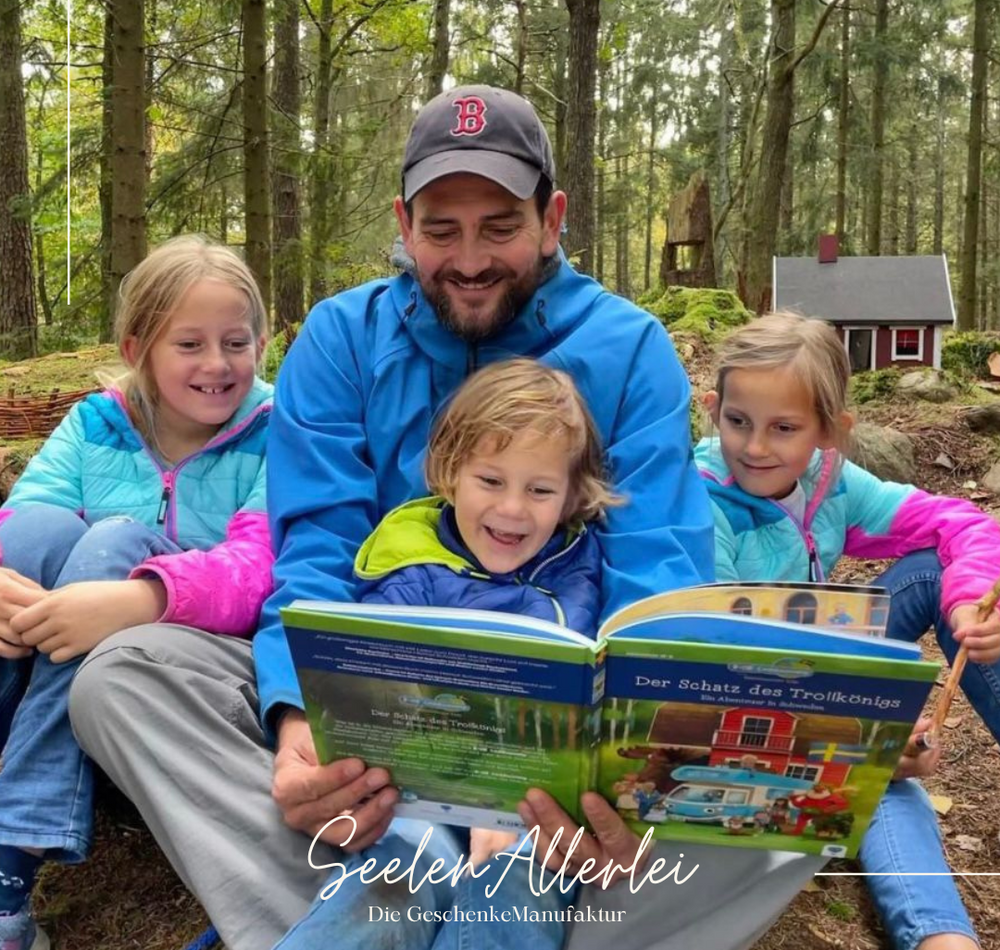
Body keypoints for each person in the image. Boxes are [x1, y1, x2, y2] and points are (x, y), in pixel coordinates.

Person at [67, 85, 819, 950]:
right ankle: (417, 887)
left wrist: (614, 780)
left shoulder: (630, 348)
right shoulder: (342, 338)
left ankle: (398, 906)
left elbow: (657, 572)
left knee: (788, 797)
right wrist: (299, 718)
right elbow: (314, 549)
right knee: (123, 677)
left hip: (558, 779)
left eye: (499, 225)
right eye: (440, 229)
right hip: (381, 747)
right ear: (403, 221)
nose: (468, 259)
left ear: (552, 217)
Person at [276, 357, 619, 949]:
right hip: (415, 799)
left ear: (569, 498)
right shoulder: (411, 561)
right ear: (450, 472)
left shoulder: (578, 571)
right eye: (491, 481)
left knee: (514, 894)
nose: (512, 509)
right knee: (391, 882)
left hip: (532, 818)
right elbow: (368, 684)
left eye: (539, 490)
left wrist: (513, 819)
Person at [0, 235, 273, 950]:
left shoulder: (278, 429)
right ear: (137, 349)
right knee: (30, 537)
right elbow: (21, 520)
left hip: (191, 646)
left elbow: (258, 567)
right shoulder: (99, 421)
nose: (217, 364)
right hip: (68, 638)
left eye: (235, 342)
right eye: (189, 344)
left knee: (115, 538)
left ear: (262, 343)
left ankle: (11, 864)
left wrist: (138, 596)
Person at [697, 309, 996, 950]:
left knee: (941, 577)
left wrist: (969, 601)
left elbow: (965, 525)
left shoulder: (828, 483)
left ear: (830, 432)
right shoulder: (701, 504)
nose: (754, 447)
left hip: (822, 663)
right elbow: (716, 662)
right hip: (746, 699)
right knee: (886, 785)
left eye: (784, 428)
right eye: (738, 422)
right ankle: (940, 934)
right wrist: (873, 736)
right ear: (712, 408)